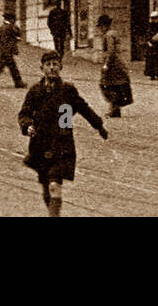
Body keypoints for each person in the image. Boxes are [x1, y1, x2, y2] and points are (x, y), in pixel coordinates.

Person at [19, 50, 108, 217]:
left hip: (62, 145)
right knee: (47, 190)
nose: (52, 68)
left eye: (55, 64)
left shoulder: (68, 90)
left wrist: (99, 126)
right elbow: (24, 113)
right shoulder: (35, 91)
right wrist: (27, 126)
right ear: (42, 68)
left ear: (61, 67)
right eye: (48, 65)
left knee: (54, 186)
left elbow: (84, 108)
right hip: (40, 145)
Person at [96, 14, 133, 117]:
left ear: (104, 26)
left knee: (107, 86)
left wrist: (106, 64)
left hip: (113, 65)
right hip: (118, 63)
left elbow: (111, 51)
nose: (100, 29)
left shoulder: (108, 35)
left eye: (100, 26)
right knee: (116, 86)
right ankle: (115, 110)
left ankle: (115, 109)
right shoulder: (114, 33)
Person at [0, 11, 25, 88]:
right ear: (11, 19)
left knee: (6, 67)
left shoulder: (1, 27)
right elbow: (17, 34)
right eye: (14, 19)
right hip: (8, 51)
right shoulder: (10, 27)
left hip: (2, 51)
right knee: (5, 68)